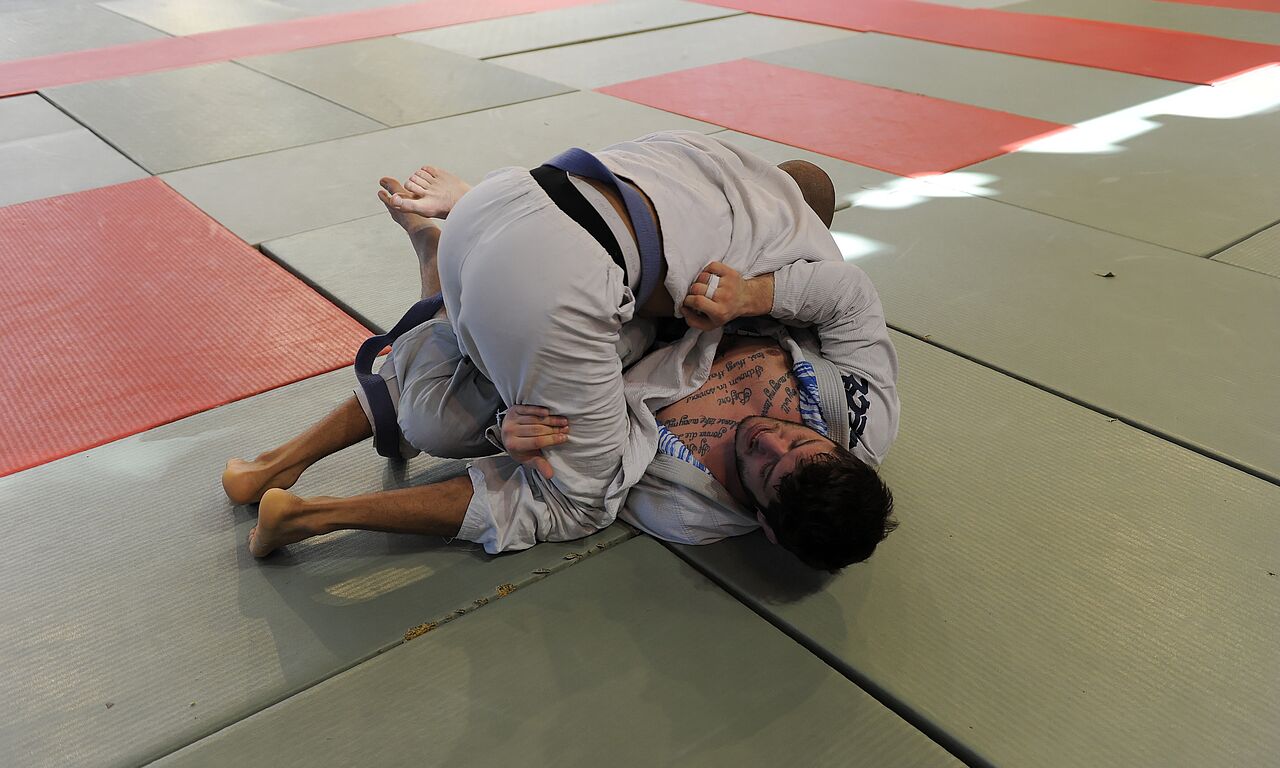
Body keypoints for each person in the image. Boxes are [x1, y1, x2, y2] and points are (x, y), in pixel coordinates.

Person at [223, 131, 899, 571]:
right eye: (798, 443)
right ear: (844, 450)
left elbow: (581, 434)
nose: (766, 438)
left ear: (766, 527)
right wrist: (753, 295)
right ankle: (313, 514)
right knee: (576, 504)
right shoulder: (863, 411)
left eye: (766, 469)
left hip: (535, 223)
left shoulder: (694, 507)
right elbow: (850, 298)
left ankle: (439, 258)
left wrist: (506, 431)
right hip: (580, 274)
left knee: (444, 420)